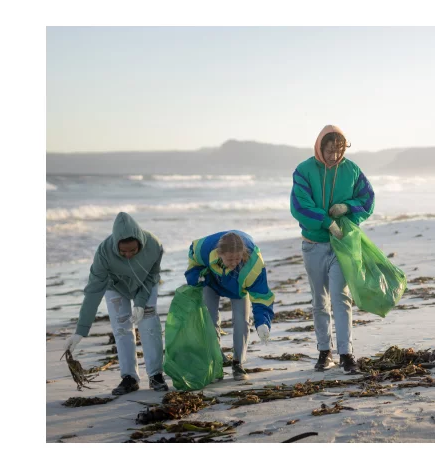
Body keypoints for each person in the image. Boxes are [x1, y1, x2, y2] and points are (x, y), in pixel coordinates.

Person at [290, 124, 375, 373]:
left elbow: (368, 199)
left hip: (342, 246)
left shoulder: (352, 170)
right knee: (320, 300)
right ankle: (324, 352)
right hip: (313, 245)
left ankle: (346, 353)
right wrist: (327, 222)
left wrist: (347, 208)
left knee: (341, 297)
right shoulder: (304, 170)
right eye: (329, 150)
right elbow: (299, 205)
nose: (334, 156)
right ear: (320, 147)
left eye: (339, 150)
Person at [64, 212, 168, 395]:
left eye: (133, 251)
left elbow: (153, 276)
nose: (128, 255)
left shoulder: (154, 245)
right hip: (116, 287)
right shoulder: (104, 252)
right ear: (115, 245)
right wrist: (81, 330)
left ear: (140, 244)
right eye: (123, 251)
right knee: (121, 327)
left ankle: (156, 375)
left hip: (145, 285)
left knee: (149, 324)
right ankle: (129, 378)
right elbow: (94, 291)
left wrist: (141, 303)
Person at [184, 230, 275, 381]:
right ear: (219, 254)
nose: (234, 263)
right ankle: (216, 360)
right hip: (211, 281)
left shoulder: (254, 263)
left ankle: (238, 363)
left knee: (242, 321)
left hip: (238, 285)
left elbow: (261, 295)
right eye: (229, 259)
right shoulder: (204, 249)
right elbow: (193, 261)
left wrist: (263, 322)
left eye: (237, 259)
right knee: (209, 320)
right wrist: (196, 278)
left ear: (243, 253)